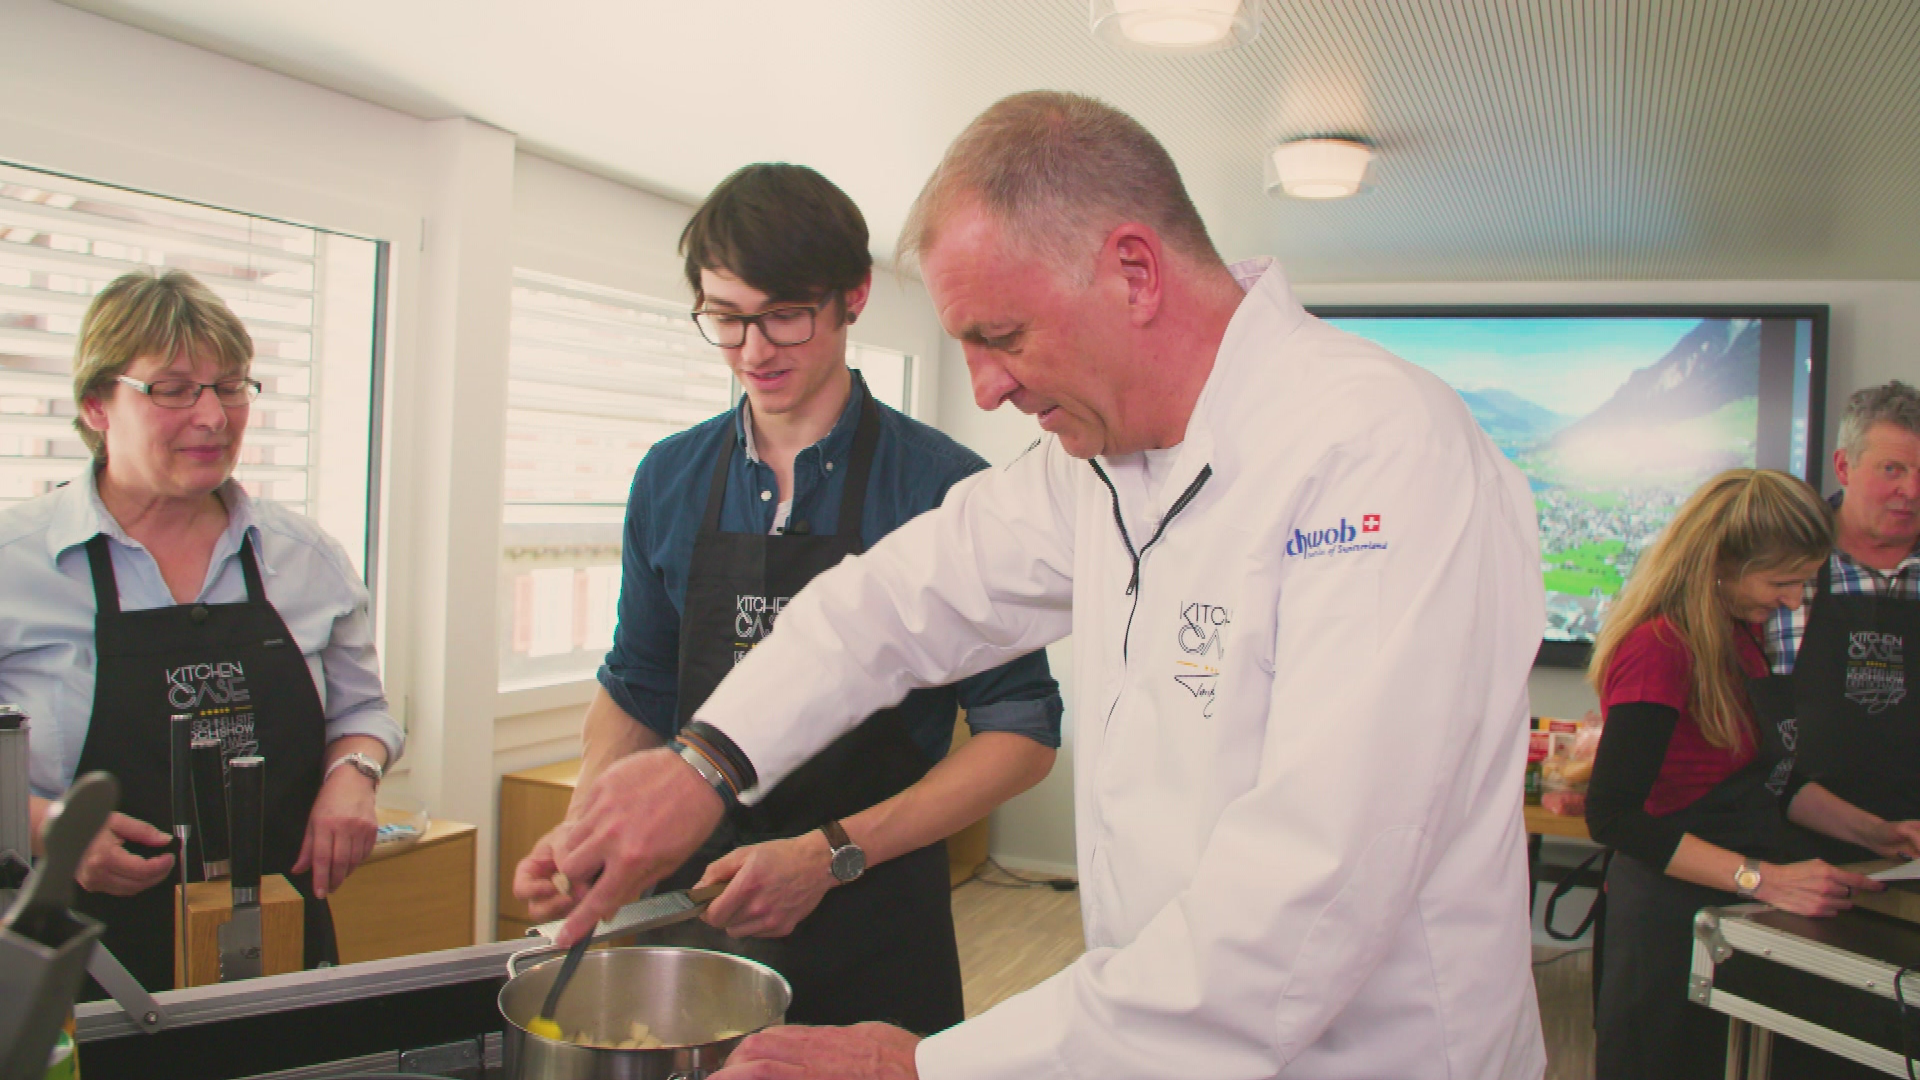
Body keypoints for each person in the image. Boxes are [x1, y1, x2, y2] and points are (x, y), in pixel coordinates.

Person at [520, 91, 1548, 1080]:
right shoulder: (1097, 470)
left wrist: (933, 1064)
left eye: (1001, 338)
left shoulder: (1377, 452)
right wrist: (701, 765)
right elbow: (883, 607)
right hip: (1148, 1041)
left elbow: (1309, 901)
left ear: (1134, 272)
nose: (986, 389)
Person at [514, 163, 1062, 1035]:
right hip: (688, 923)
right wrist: (591, 828)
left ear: (855, 296)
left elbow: (1022, 736)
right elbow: (639, 690)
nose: (753, 351)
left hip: (873, 916)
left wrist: (833, 854)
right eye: (724, 318)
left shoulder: (943, 488)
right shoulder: (669, 477)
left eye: (784, 317)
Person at [0, 269, 402, 992]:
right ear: (97, 404)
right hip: (69, 969)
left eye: (231, 385)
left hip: (276, 954)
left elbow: (361, 713)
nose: (214, 417)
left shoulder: (304, 559)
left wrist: (355, 776)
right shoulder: (15, 565)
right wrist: (42, 825)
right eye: (175, 389)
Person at [1584, 468, 1920, 1080]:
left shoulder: (1738, 635)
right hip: (1666, 920)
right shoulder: (1658, 650)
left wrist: (1874, 833)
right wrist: (1761, 879)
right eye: (1782, 581)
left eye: (1804, 583)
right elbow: (1612, 816)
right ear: (1722, 563)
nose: (1793, 601)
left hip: (1731, 908)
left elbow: (1774, 780)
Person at [1764, 381, 1920, 863]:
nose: (1910, 491)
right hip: (1786, 857)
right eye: (1892, 469)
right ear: (1844, 466)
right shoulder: (1776, 568)